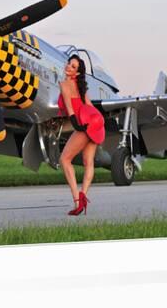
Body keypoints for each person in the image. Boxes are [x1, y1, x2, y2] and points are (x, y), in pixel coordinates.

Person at [58, 54, 105, 216]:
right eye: (69, 64)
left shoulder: (64, 84)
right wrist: (100, 122)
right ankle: (84, 195)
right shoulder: (82, 87)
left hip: (84, 126)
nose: (68, 67)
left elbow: (70, 109)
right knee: (88, 162)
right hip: (93, 124)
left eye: (73, 66)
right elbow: (90, 106)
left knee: (64, 159)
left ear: (77, 73)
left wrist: (78, 125)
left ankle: (77, 201)